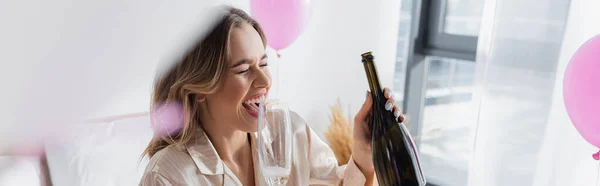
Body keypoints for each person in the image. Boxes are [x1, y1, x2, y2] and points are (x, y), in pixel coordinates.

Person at [139, 6, 405, 186]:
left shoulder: (290, 131)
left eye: (263, 64)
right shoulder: (168, 175)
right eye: (243, 69)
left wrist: (363, 153)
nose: (265, 81)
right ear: (200, 88)